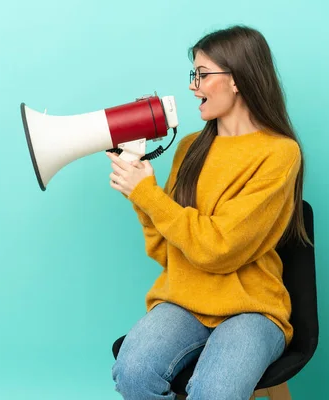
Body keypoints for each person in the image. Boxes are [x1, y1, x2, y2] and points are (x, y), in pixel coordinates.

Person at [106, 24, 312, 400]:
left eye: (201, 75)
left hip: (252, 309)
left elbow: (220, 249)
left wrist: (149, 196)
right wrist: (138, 193)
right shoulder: (189, 148)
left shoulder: (279, 153)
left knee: (214, 391)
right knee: (132, 372)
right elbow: (164, 250)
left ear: (237, 79)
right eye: (193, 75)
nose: (192, 86)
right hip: (184, 300)